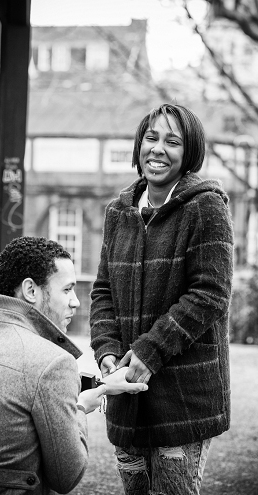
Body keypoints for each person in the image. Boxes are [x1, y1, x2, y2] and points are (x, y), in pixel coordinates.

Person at [0, 236, 148, 494]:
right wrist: (78, 407)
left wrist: (100, 387)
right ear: (31, 291)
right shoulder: (54, 362)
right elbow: (67, 477)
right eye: (67, 289)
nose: (76, 301)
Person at [91, 103, 234, 494]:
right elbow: (102, 289)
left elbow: (211, 294)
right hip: (126, 396)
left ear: (189, 154)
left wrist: (148, 352)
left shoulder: (206, 206)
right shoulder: (117, 212)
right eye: (151, 138)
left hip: (184, 396)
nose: (157, 149)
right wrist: (105, 350)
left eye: (172, 141)